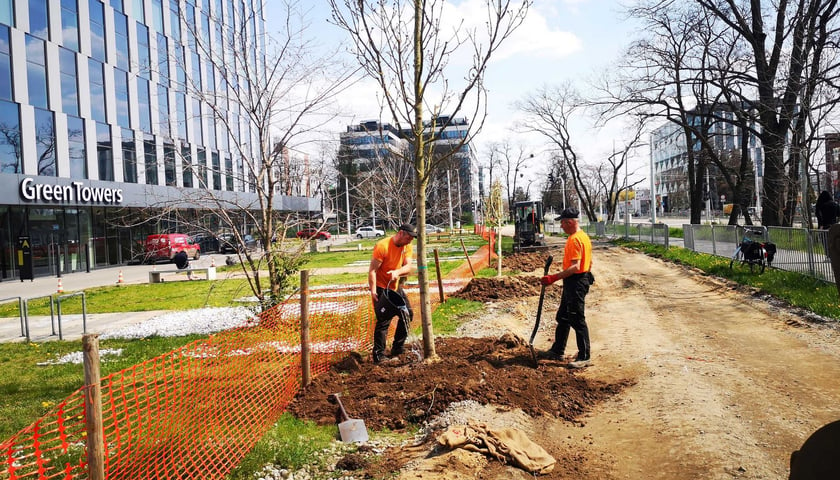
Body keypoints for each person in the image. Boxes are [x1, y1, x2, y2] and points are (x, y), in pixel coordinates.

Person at [540, 208, 595, 368]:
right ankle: (557, 350)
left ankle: (584, 356)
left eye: (562, 223)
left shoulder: (575, 240)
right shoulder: (583, 236)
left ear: (570, 222)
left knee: (577, 319)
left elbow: (576, 267)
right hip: (576, 281)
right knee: (563, 316)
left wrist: (553, 278)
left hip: (576, 282)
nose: (561, 226)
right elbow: (588, 262)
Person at [368, 223, 417, 363]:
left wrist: (397, 272)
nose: (410, 240)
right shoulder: (382, 246)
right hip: (382, 287)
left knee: (407, 314)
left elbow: (408, 266)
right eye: (409, 237)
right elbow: (372, 271)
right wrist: (373, 291)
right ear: (401, 233)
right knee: (384, 320)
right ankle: (379, 355)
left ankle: (397, 347)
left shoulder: (407, 246)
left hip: (395, 286)